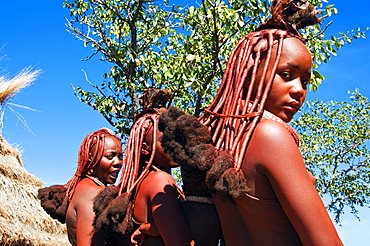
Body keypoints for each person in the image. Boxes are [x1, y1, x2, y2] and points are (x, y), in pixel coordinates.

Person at [160, 0, 343, 245]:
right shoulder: (270, 135)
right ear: (249, 73)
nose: (299, 91)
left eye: (305, 82)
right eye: (286, 75)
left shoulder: (221, 139)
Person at [93, 89, 195, 246]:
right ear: (145, 148)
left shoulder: (142, 183)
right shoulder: (160, 181)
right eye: (167, 139)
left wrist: (153, 227)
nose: (177, 144)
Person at [38, 128, 124, 246]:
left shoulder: (84, 187)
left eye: (121, 157)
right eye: (110, 156)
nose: (118, 162)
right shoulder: (93, 193)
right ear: (91, 158)